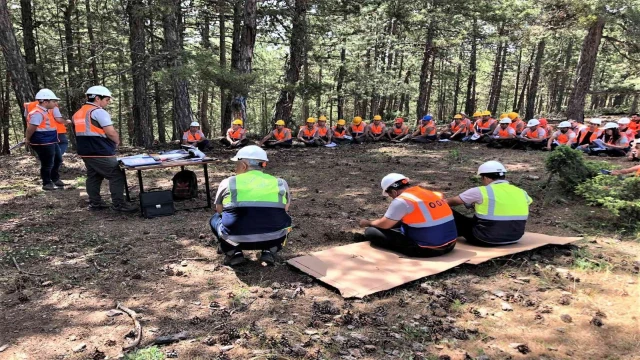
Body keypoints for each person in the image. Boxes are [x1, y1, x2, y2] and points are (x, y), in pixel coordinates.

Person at [210, 145, 292, 266]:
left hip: (235, 239)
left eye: (236, 164)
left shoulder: (228, 182)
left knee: (215, 218)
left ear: (244, 165)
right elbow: (284, 209)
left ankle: (234, 252)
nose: (235, 168)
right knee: (285, 220)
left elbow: (219, 210)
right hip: (274, 237)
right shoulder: (280, 183)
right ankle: (270, 250)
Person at [358, 173, 457, 257]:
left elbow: (385, 224)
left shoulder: (402, 200)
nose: (391, 197)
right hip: (451, 244)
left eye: (390, 195)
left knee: (371, 232)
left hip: (428, 250)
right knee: (399, 220)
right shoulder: (429, 193)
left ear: (393, 191)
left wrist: (369, 222)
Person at [73, 86, 137, 212]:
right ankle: (118, 204)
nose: (108, 102)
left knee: (94, 176)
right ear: (97, 98)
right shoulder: (98, 112)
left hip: (86, 150)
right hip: (100, 149)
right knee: (117, 174)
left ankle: (95, 203)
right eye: (107, 99)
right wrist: (117, 141)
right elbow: (110, 132)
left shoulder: (78, 113)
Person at [445, 161, 532, 246]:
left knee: (448, 212)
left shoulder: (481, 191)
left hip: (484, 239)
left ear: (485, 178)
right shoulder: (521, 192)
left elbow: (450, 202)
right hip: (515, 237)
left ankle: (441, 237)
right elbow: (508, 207)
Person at [24, 89, 66, 190]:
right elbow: (31, 128)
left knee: (58, 159)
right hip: (42, 141)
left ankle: (55, 178)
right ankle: (46, 183)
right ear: (45, 102)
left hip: (50, 139)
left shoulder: (46, 111)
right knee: (47, 163)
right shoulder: (37, 113)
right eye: (54, 101)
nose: (56, 103)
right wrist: (27, 139)